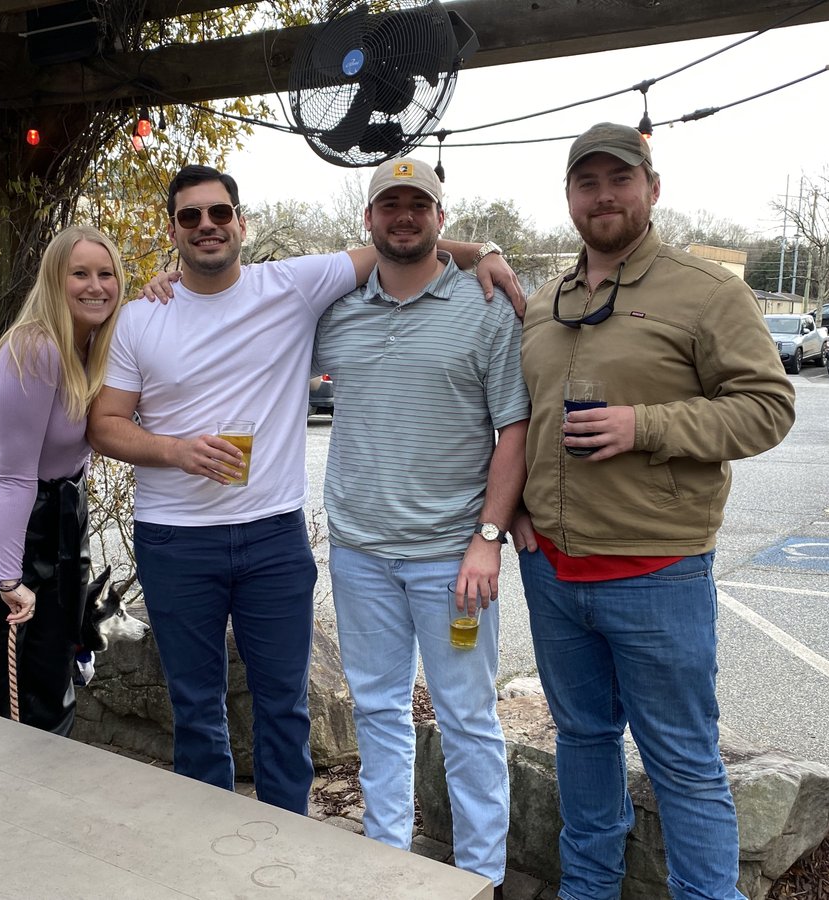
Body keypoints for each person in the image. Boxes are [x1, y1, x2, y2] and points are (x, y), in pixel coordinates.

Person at [86, 164, 521, 815]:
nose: (206, 226)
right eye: (190, 217)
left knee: (284, 706)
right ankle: (207, 851)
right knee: (196, 708)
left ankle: (287, 847)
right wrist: (178, 451)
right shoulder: (143, 318)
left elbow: (400, 244)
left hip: (271, 536)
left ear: (240, 221)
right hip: (175, 540)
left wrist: (484, 252)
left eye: (219, 214)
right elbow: (104, 425)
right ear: (171, 229)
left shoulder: (289, 284)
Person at [512, 123, 796, 900]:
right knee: (583, 740)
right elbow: (520, 418)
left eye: (619, 179)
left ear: (652, 187)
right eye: (587, 183)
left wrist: (648, 425)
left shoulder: (708, 291)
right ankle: (587, 890)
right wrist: (517, 512)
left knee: (682, 758)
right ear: (569, 197)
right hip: (552, 574)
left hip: (657, 571)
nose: (604, 196)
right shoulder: (547, 303)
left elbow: (768, 409)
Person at [313, 158, 529, 899]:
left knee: (468, 718)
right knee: (376, 711)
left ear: (442, 217)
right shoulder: (337, 311)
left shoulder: (486, 306)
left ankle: (480, 880)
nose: (404, 216)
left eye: (419, 204)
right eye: (389, 204)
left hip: (452, 558)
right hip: (361, 552)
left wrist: (488, 539)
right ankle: (386, 866)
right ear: (368, 219)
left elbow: (515, 430)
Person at [0, 225, 125, 735]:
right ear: (54, 281)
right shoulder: (36, 350)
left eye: (106, 274)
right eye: (79, 274)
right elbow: (16, 478)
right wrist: (10, 579)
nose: (95, 286)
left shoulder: (94, 348)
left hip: (59, 523)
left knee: (51, 688)